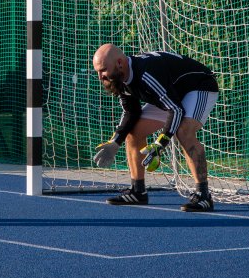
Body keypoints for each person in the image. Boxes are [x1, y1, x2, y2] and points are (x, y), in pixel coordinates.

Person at [91, 43, 219, 211]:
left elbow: (175, 110)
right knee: (134, 131)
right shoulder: (120, 77)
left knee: (183, 131)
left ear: (120, 63)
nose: (100, 76)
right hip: (171, 95)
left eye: (103, 70)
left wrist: (160, 145)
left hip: (198, 87)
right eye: (98, 72)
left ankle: (203, 195)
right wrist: (115, 142)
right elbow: (131, 112)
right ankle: (138, 191)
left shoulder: (146, 75)